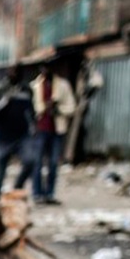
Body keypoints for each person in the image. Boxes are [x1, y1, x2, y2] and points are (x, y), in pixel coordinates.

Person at [0, 64, 35, 199]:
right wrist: (5, 101)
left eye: (17, 71)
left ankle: (17, 188)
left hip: (22, 135)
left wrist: (32, 126)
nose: (14, 74)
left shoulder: (26, 90)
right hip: (2, 137)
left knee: (30, 161)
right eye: (12, 71)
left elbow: (31, 111)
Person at [30, 62, 76, 205]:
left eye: (48, 67)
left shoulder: (63, 85)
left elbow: (71, 107)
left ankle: (49, 194)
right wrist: (43, 108)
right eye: (43, 68)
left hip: (57, 130)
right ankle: (37, 194)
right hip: (40, 130)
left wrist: (58, 109)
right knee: (37, 163)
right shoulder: (35, 86)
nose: (45, 70)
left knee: (53, 164)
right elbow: (31, 109)